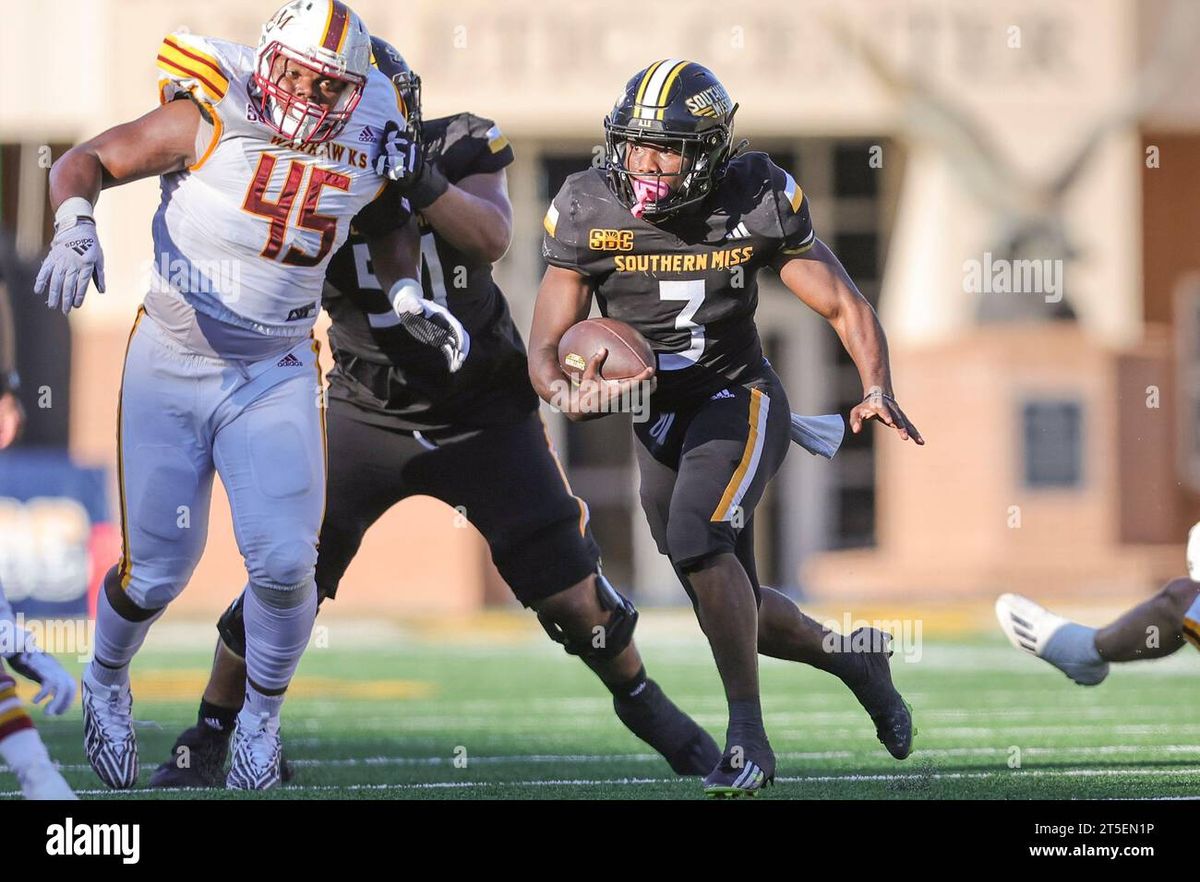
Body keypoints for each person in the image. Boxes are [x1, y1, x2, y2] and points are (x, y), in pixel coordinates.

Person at [148, 38, 720, 788]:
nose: (337, 115)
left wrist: (416, 179)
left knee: (572, 598)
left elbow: (490, 235)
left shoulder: (461, 143)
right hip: (364, 406)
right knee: (287, 570)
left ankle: (644, 702)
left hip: (481, 406)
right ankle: (213, 733)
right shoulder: (300, 171)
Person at [33, 0, 458, 791]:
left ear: (353, 91)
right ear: (266, 61)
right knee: (158, 571)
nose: (305, 94)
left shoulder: (375, 130)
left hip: (275, 365)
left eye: (327, 85)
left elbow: (390, 218)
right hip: (171, 354)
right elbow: (85, 159)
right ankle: (105, 678)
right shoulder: (214, 108)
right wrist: (75, 223)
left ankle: (259, 723)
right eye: (294, 73)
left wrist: (404, 293)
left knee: (289, 562)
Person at [530, 60, 924, 796]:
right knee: (725, 596)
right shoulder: (588, 205)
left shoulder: (756, 195)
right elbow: (546, 349)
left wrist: (875, 385)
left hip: (738, 396)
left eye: (667, 146)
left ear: (709, 150)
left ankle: (748, 738)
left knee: (698, 539)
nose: (645, 162)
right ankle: (852, 658)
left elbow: (841, 303)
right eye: (636, 142)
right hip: (651, 416)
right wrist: (566, 394)